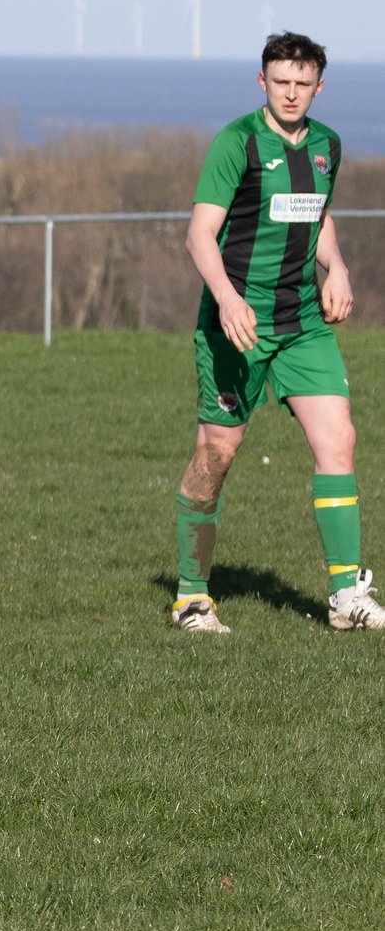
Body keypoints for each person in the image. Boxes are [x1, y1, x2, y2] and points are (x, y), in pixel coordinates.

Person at [170, 32, 384, 632]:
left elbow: (317, 217)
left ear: (320, 86)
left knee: (339, 438)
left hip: (302, 325)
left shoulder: (326, 146)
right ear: (261, 82)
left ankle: (346, 595)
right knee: (217, 453)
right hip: (236, 323)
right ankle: (192, 595)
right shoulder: (236, 142)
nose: (291, 93)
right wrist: (227, 298)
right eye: (280, 81)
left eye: (303, 83)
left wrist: (336, 266)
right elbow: (199, 235)